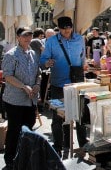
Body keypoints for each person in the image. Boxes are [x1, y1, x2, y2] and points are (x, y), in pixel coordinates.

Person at [40, 16, 88, 158]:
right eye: (63, 29)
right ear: (59, 29)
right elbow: (42, 60)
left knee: (80, 115)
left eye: (69, 28)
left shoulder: (80, 39)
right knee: (57, 118)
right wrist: (47, 63)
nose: (67, 31)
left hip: (77, 83)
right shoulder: (52, 41)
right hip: (58, 84)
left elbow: (83, 57)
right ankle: (58, 146)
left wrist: (84, 66)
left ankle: (83, 145)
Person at [2, 27, 41, 169]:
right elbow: (8, 76)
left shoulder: (33, 54)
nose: (27, 38)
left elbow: (39, 73)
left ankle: (25, 156)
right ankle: (10, 159)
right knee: (14, 130)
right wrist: (24, 86)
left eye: (29, 36)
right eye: (24, 36)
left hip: (30, 99)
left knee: (28, 128)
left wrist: (37, 84)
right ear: (18, 37)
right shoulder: (11, 55)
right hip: (15, 100)